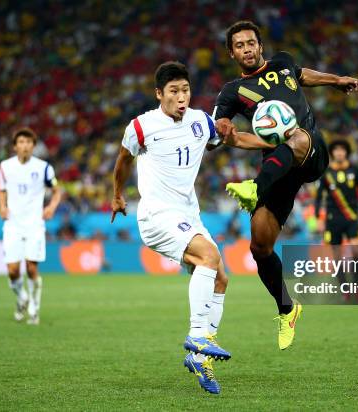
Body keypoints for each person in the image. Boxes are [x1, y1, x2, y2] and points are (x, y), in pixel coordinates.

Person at [111, 61, 273, 394]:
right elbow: (124, 160)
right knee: (209, 257)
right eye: (174, 91)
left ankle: (202, 359)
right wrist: (117, 194)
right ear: (160, 94)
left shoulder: (200, 121)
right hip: (157, 215)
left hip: (187, 214)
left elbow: (233, 138)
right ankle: (197, 337)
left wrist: (273, 144)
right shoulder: (141, 127)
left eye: (185, 90)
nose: (181, 97)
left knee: (221, 277)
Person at [213, 20, 358, 349]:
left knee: (293, 134)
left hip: (310, 148)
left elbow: (303, 74)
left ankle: (253, 188)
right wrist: (224, 130)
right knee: (260, 246)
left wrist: (335, 81)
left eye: (251, 42)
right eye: (240, 45)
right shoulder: (233, 90)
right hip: (277, 167)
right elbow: (220, 123)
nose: (247, 48)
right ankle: (287, 308)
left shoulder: (281, 63)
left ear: (260, 45)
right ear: (232, 53)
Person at [0, 127, 61, 325]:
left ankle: (34, 307)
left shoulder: (44, 167)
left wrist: (51, 206)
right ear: (15, 146)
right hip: (13, 224)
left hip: (34, 224)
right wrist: (2, 207)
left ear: (33, 146)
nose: (25, 146)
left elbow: (57, 191)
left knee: (32, 268)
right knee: (12, 270)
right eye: (21, 142)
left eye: (28, 142)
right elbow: (2, 190)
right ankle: (21, 298)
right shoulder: (5, 167)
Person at [314, 140, 358, 301]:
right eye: (336, 150)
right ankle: (344, 288)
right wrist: (318, 218)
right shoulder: (327, 174)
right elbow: (319, 197)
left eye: (342, 150)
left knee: (356, 252)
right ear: (333, 153)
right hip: (332, 219)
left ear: (346, 152)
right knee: (336, 256)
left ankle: (356, 284)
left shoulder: (355, 171)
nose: (339, 152)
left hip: (352, 218)